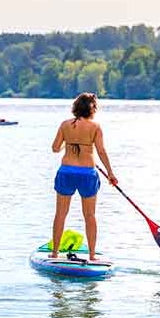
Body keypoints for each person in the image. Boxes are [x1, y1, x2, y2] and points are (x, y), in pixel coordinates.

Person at [50, 92, 118, 262]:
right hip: (87, 173)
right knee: (90, 215)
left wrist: (69, 141)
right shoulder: (95, 127)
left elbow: (55, 148)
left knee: (60, 214)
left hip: (66, 171)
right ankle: (92, 255)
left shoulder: (65, 125)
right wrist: (110, 173)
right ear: (92, 108)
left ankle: (55, 253)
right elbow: (101, 151)